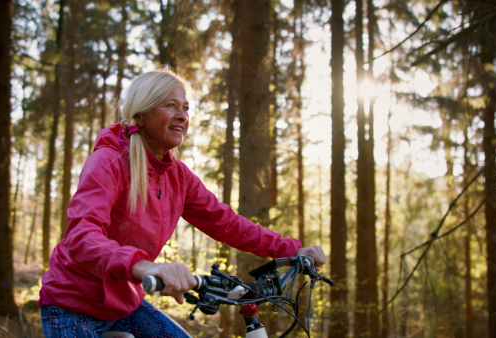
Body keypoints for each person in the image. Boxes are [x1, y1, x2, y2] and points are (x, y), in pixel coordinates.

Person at [38, 68, 326, 338]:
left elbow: (225, 222)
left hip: (124, 302)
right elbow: (82, 237)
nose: (182, 115)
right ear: (141, 114)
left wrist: (291, 249)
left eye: (185, 108)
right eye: (170, 105)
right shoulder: (109, 161)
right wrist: (146, 267)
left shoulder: (178, 176)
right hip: (73, 304)